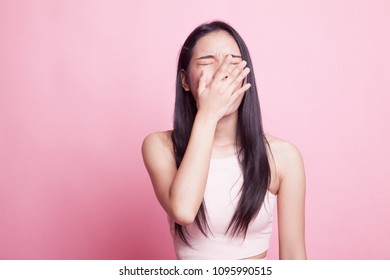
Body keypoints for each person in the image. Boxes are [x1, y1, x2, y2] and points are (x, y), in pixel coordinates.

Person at [142, 21, 307, 260]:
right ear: (185, 80)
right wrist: (208, 114)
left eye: (233, 61)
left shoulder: (283, 156)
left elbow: (294, 257)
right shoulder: (161, 146)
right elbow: (184, 210)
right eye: (207, 61)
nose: (223, 72)